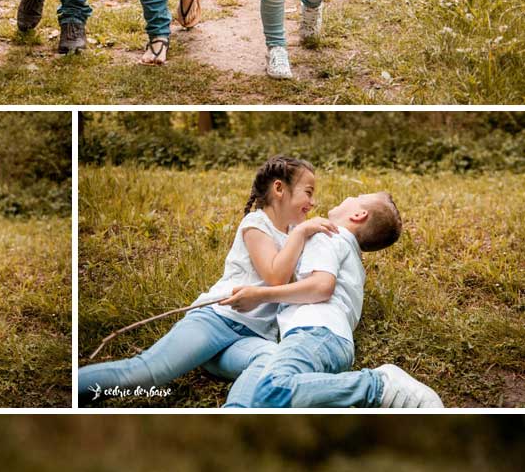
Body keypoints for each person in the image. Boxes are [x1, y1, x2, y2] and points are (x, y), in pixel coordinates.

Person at [78, 155, 338, 405]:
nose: (313, 202)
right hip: (215, 322)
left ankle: (237, 409)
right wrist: (303, 231)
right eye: (308, 192)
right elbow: (275, 276)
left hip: (254, 337)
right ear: (279, 188)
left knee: (271, 362)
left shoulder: (294, 233)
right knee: (145, 375)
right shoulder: (256, 223)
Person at [224, 192, 443, 409]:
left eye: (357, 196)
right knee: (260, 396)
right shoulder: (350, 255)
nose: (348, 196)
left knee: (272, 391)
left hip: (315, 333)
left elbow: (321, 287)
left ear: (359, 214)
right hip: (333, 345)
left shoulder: (327, 237)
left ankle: (377, 386)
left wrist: (259, 295)